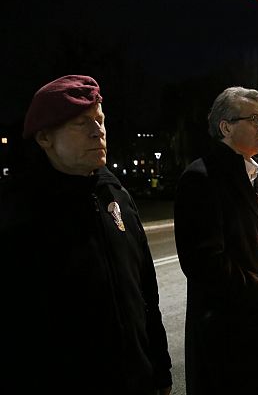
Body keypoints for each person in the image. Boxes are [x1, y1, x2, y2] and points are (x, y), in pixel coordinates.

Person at [0, 75, 173, 394]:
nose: (98, 132)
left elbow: (146, 292)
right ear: (45, 138)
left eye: (100, 120)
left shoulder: (116, 195)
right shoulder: (19, 214)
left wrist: (160, 369)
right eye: (82, 123)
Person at [174, 86, 258, 395]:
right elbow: (205, 265)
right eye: (255, 119)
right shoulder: (202, 178)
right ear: (226, 127)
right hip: (227, 339)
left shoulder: (254, 175)